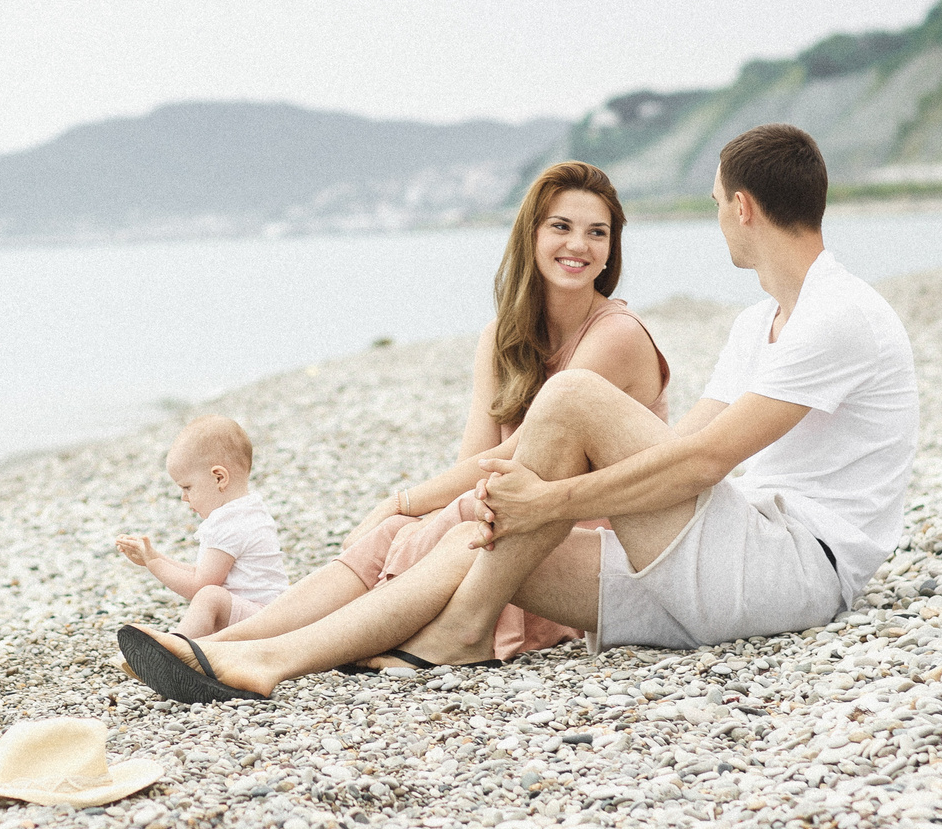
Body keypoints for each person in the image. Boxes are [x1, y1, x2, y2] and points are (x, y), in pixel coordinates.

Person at [115, 124, 914, 702]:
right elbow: (687, 444)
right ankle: (258, 656)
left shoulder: (836, 313)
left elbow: (703, 465)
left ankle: (443, 637)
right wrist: (527, 508)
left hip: (799, 569)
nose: (715, 221)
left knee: (554, 417)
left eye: (713, 205)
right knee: (482, 543)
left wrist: (554, 499)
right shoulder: (758, 322)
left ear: (743, 207)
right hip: (731, 556)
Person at [186, 161, 668, 668]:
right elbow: (476, 457)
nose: (580, 246)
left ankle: (263, 649)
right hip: (512, 525)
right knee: (407, 530)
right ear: (530, 235)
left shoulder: (616, 335)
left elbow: (516, 453)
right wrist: (409, 516)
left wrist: (399, 501)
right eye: (561, 227)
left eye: (598, 233)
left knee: (420, 524)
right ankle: (224, 647)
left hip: (579, 550)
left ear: (612, 248)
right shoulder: (502, 336)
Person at [114, 415, 290, 636]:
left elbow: (198, 586)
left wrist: (153, 564)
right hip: (268, 617)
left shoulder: (229, 523)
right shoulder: (247, 511)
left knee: (209, 597)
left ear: (218, 478)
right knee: (211, 596)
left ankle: (175, 653)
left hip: (264, 622)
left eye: (187, 487)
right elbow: (202, 573)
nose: (183, 498)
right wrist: (154, 556)